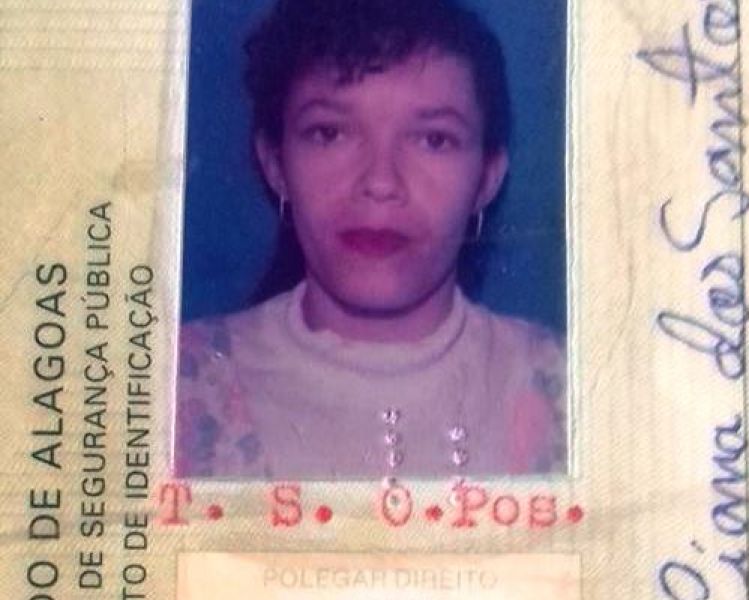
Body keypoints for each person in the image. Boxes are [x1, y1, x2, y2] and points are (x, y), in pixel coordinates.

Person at [175, 0, 566, 479]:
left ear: (487, 178)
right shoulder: (175, 382)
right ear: (275, 164)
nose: (380, 183)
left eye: (434, 139)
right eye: (329, 133)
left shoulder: (569, 390)